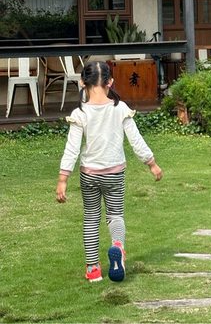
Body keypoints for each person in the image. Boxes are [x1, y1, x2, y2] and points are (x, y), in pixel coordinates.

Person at [56, 61, 163, 283]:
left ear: (82, 82)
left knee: (91, 218)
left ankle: (93, 269)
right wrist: (151, 163)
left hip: (89, 175)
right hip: (114, 173)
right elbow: (136, 140)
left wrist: (63, 179)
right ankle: (118, 247)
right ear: (110, 82)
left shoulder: (80, 113)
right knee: (115, 215)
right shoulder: (120, 108)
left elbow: (72, 148)